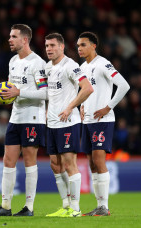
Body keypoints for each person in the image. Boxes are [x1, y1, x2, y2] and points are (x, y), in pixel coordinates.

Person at [0, 24, 46, 217]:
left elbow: (45, 92)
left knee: (29, 160)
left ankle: (29, 207)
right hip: (16, 117)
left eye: (13, 36)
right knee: (8, 159)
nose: (9, 39)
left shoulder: (38, 63)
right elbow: (11, 88)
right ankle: (5, 206)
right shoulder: (12, 61)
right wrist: (3, 95)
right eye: (9, 36)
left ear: (25, 39)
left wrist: (19, 92)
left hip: (33, 118)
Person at [77, 32, 130, 216]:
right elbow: (85, 91)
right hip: (88, 121)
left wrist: (108, 107)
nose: (79, 49)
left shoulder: (103, 64)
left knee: (99, 160)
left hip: (102, 120)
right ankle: (99, 206)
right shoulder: (82, 67)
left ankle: (104, 207)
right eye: (78, 46)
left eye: (83, 45)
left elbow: (123, 85)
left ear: (93, 46)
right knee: (91, 163)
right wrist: (81, 106)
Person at [42, 33, 93, 217]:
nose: (49, 49)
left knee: (69, 163)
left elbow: (87, 88)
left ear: (62, 47)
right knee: (55, 164)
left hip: (68, 122)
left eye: (53, 45)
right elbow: (51, 94)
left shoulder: (70, 66)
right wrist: (48, 110)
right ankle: (65, 205)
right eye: (47, 46)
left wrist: (71, 107)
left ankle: (76, 208)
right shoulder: (48, 67)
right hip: (53, 123)